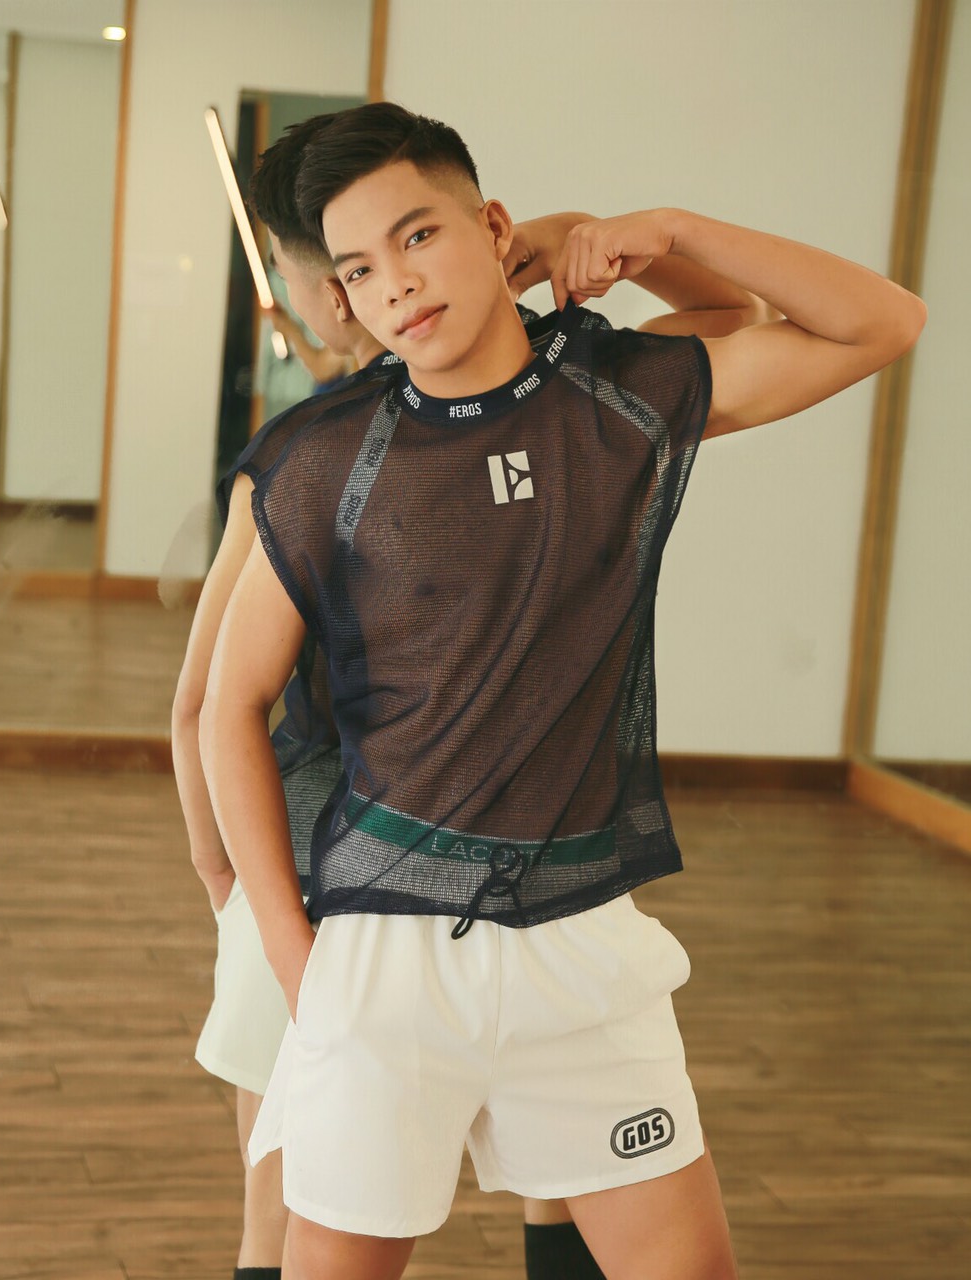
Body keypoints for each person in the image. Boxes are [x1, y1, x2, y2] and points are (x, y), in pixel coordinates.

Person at [184, 110, 801, 1280]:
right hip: (360, 904)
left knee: (604, 1218)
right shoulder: (317, 455)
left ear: (490, 230)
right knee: (298, 1230)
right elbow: (215, 706)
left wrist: (638, 230)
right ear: (335, 297)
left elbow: (815, 325)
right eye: (357, 270)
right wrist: (267, 926)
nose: (392, 285)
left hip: (563, 913)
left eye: (417, 238)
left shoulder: (588, 400)